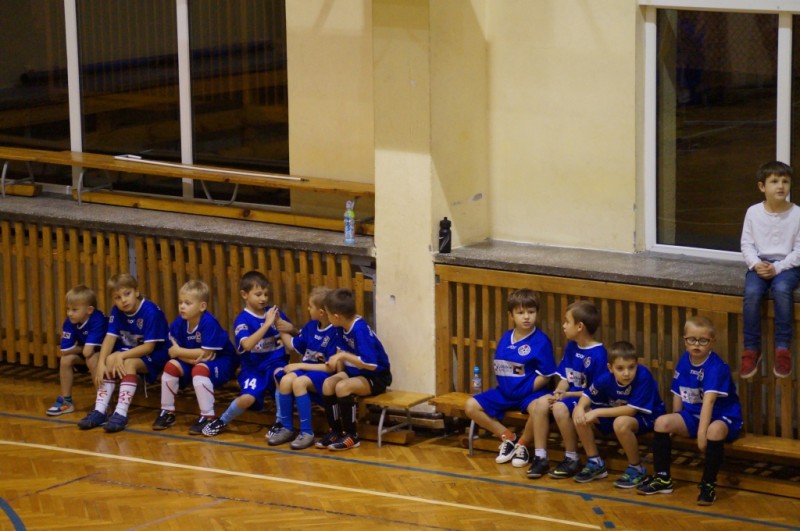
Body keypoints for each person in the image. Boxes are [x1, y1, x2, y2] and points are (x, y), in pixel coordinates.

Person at [637, 316, 742, 506]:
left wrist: (702, 435)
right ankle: (662, 478)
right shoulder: (684, 361)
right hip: (694, 416)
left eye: (703, 340)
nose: (696, 345)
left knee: (713, 431)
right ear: (684, 340)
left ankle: (708, 485)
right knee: (662, 422)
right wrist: (675, 420)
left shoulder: (716, 367)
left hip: (721, 416)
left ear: (712, 342)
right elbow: (678, 393)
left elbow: (709, 402)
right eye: (692, 339)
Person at [464, 288, 557, 465]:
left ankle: (522, 445)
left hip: (530, 395)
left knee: (539, 409)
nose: (526, 317)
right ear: (511, 315)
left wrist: (524, 389)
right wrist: (510, 390)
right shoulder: (506, 337)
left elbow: (546, 376)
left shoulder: (541, 341)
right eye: (520, 313)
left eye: (531, 312)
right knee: (470, 406)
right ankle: (509, 438)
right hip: (505, 393)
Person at [522, 300, 608, 479]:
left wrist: (565, 395)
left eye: (567, 321)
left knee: (560, 408)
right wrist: (557, 393)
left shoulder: (599, 354)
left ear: (580, 326)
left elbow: (595, 392)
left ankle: (572, 458)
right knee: (541, 403)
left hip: (589, 400)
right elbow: (564, 378)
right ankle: (540, 457)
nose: (563, 325)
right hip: (571, 395)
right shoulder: (571, 347)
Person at [202, 271, 294, 437]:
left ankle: (280, 422)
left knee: (280, 375)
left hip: (275, 363)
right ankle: (222, 420)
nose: (263, 298)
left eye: (266, 294)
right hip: (253, 369)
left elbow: (294, 340)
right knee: (247, 399)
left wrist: (292, 328)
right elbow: (247, 344)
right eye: (258, 294)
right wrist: (266, 325)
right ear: (244, 295)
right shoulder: (242, 320)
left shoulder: (274, 313)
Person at [77, 273, 170, 433]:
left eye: (127, 294)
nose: (123, 300)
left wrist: (120, 355)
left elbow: (149, 347)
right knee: (109, 359)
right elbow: (109, 338)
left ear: (137, 292)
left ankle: (121, 413)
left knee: (128, 362)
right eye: (118, 297)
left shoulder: (150, 311)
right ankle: (100, 410)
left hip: (157, 354)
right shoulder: (117, 310)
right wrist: (101, 364)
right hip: (132, 350)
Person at [572, 340, 665, 486]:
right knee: (579, 414)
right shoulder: (605, 377)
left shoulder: (643, 376)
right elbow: (587, 395)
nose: (626, 373)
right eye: (620, 368)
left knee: (621, 423)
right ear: (610, 368)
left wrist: (597, 412)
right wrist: (579, 408)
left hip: (649, 416)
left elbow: (631, 410)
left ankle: (636, 468)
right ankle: (595, 462)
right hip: (618, 414)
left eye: (631, 367)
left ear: (637, 364)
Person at [152, 280, 239, 434]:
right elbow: (172, 351)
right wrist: (185, 356)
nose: (182, 306)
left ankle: (208, 416)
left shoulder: (209, 323)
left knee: (199, 370)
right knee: (171, 366)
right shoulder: (179, 323)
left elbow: (205, 354)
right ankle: (167, 412)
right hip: (194, 361)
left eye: (187, 303)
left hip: (223, 361)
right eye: (180, 302)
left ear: (202, 306)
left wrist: (180, 353)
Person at [740, 160, 800, 379]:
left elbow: (799, 250)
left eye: (785, 181)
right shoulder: (753, 212)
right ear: (762, 186)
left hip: (787, 266)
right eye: (774, 181)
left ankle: (783, 349)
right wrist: (756, 264)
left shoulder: (797, 213)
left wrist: (777, 267)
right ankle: (751, 350)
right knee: (752, 293)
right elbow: (747, 244)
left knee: (782, 290)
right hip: (760, 264)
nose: (780, 186)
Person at [315, 288, 392, 451]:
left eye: (328, 314)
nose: (327, 318)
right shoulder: (339, 327)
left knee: (343, 387)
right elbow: (341, 352)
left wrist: (343, 356)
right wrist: (336, 364)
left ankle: (352, 435)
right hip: (355, 373)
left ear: (337, 316)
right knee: (328, 384)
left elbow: (371, 364)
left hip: (376, 376)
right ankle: (335, 431)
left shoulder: (359, 329)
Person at [269, 287, 340, 449]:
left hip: (324, 374)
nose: (307, 309)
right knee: (285, 380)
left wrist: (299, 364)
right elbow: (291, 345)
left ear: (321, 312)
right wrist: (278, 324)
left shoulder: (335, 332)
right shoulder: (311, 326)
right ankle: (287, 428)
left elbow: (330, 368)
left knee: (299, 382)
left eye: (310, 306)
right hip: (307, 371)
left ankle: (307, 433)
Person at [46, 285, 107, 416]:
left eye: (74, 310)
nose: (69, 313)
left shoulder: (98, 319)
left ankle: (104, 404)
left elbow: (88, 352)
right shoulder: (69, 322)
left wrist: (82, 349)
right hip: (88, 351)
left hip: (107, 355)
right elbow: (65, 351)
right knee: (66, 360)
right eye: (68, 309)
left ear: (89, 310)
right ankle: (67, 401)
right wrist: (82, 348)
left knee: (92, 359)